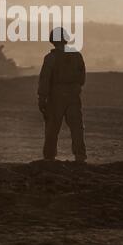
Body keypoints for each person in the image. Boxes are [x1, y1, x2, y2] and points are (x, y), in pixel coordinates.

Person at [38, 27, 87, 163]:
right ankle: (80, 157)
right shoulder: (77, 55)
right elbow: (82, 78)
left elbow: (45, 79)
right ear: (65, 39)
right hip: (73, 95)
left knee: (52, 127)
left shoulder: (50, 58)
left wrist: (42, 98)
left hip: (56, 96)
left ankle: (49, 157)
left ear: (52, 41)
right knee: (77, 127)